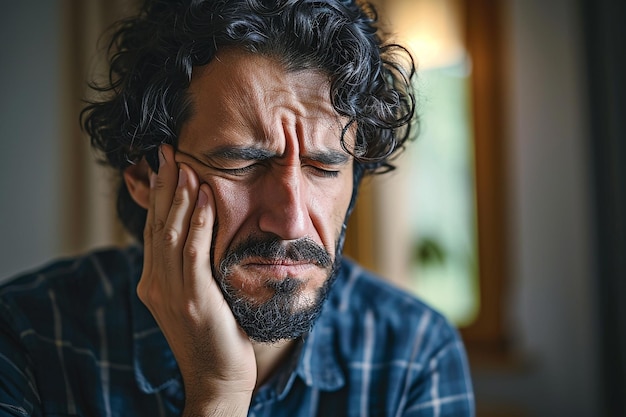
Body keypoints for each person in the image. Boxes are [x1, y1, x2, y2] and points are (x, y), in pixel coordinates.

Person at [0, 0, 474, 415]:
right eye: (242, 163)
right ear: (146, 176)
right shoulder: (24, 338)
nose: (290, 219)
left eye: (324, 168)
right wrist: (218, 395)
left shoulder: (415, 352)